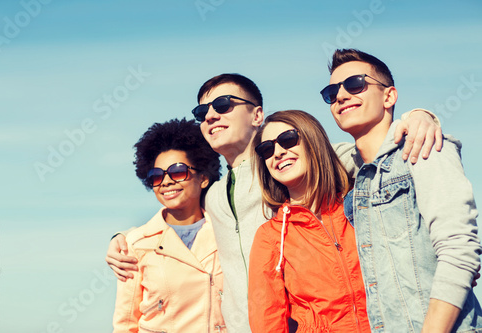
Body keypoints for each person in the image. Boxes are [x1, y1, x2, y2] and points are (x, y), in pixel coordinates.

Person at [107, 73, 442, 332]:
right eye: (202, 111)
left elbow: (377, 152)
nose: (210, 116)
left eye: (223, 105)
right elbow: (177, 223)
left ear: (257, 115)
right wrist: (120, 241)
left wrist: (418, 116)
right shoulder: (215, 196)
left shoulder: (293, 163)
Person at [320, 48, 482, 332]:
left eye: (355, 84)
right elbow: (300, 152)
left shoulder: (425, 147)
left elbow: (459, 250)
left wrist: (421, 117)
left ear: (389, 96)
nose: (341, 96)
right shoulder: (353, 173)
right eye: (331, 92)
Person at [248, 110, 371, 332]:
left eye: (288, 139)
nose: (277, 152)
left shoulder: (362, 202)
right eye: (266, 149)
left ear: (313, 140)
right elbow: (267, 320)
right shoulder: (271, 236)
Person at [112, 118, 226, 333]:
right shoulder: (136, 245)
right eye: (156, 176)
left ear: (203, 178)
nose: (166, 181)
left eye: (177, 172)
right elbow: (126, 323)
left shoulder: (227, 231)